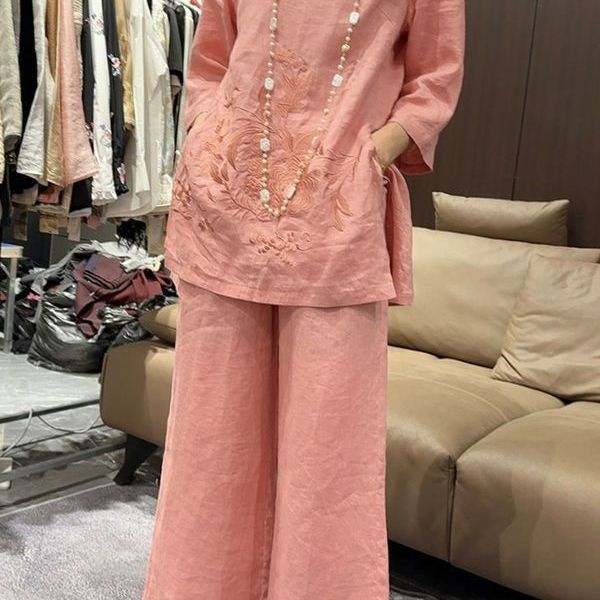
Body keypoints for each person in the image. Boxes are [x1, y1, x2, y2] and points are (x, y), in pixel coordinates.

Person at [143, 0, 465, 598]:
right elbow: (211, 57)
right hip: (225, 209)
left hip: (338, 222)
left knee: (329, 454)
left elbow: (435, 77)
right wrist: (205, 131)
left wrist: (378, 150)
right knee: (211, 443)